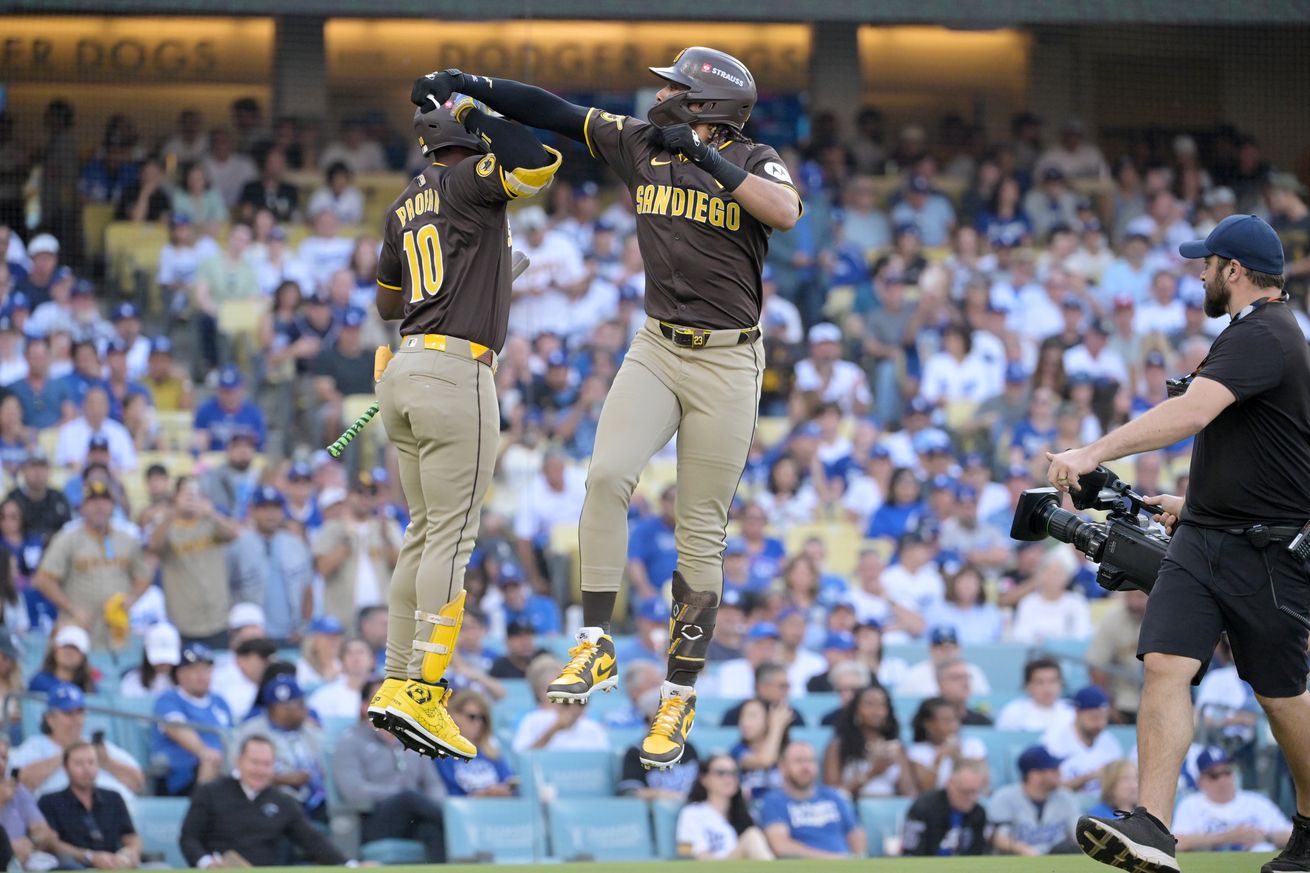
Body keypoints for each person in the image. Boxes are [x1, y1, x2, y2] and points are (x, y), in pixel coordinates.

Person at [415, 48, 801, 770]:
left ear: (709, 107)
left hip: (727, 358)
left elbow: (785, 211)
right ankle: (595, 645)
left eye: (677, 89)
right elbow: (554, 113)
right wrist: (471, 88)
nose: (661, 96)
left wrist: (712, 161)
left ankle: (677, 697)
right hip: (657, 345)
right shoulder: (640, 142)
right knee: (604, 478)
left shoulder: (754, 155)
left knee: (700, 534)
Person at [1046, 215, 1310, 873]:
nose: (1199, 273)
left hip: (1265, 552)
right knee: (1165, 661)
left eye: (1206, 263)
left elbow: (1189, 414)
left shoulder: (1266, 333)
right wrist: (1192, 503)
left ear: (1234, 271)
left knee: (1280, 697)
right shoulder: (1251, 335)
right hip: (1204, 537)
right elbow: (1257, 448)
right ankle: (1153, 827)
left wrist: (1092, 450)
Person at [368, 80, 560, 764]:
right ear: (468, 140)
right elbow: (537, 163)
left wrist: (490, 273)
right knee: (452, 534)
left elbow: (392, 297)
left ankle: (397, 678)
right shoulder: (472, 181)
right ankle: (424, 688)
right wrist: (479, 110)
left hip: (405, 367)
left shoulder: (402, 203)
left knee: (422, 533)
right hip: (456, 372)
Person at [180, 734, 348, 868]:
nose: (260, 770)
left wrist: (349, 865)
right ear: (239, 762)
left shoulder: (284, 802)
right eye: (255, 762)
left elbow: (312, 840)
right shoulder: (210, 792)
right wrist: (207, 863)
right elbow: (189, 838)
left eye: (267, 764)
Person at [332, 680, 448, 862]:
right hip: (373, 819)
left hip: (415, 814)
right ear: (365, 707)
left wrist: (429, 802)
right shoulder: (351, 743)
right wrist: (398, 795)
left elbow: (434, 785)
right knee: (409, 798)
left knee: (430, 828)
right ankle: (456, 822)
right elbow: (354, 792)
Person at [32, 480, 151, 646]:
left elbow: (144, 577)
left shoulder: (127, 539)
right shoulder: (68, 539)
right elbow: (43, 580)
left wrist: (130, 600)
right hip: (78, 626)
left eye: (104, 501)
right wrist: (72, 608)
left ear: (112, 506)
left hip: (115, 628)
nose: (99, 507)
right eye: (93, 501)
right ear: (82, 507)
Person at [150, 476, 242, 648]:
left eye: (196, 494)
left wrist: (211, 512)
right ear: (175, 497)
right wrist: (173, 512)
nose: (192, 499)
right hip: (184, 623)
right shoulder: (168, 525)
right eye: (187, 494)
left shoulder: (210, 522)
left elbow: (234, 534)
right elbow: (154, 545)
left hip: (217, 620)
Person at [11, 684, 143, 799]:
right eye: (68, 713)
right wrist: (67, 756)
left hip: (113, 813)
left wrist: (106, 761)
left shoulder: (95, 745)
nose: (76, 719)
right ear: (50, 718)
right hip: (61, 817)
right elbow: (19, 784)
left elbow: (138, 783)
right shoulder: (35, 746)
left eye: (80, 712)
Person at [232, 676, 328, 821]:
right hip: (271, 801)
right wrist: (280, 779)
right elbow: (235, 774)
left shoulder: (310, 730)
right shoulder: (250, 732)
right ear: (277, 709)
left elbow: (328, 764)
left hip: (317, 800)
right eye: (298, 705)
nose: (304, 710)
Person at [36, 742, 141, 869]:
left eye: (91, 762)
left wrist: (131, 852)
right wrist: (89, 856)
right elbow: (51, 843)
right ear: (65, 768)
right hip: (72, 866)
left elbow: (130, 835)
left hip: (114, 865)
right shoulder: (49, 801)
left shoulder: (114, 798)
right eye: (79, 764)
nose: (87, 769)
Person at [1174, 746, 1292, 854]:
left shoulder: (1257, 802)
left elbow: (1294, 837)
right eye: (1214, 775)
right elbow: (1176, 843)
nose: (1223, 780)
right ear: (1200, 780)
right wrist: (1226, 837)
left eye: (1227, 772)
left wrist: (1266, 837)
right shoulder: (1190, 804)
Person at [757, 741, 865, 859]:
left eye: (810, 761)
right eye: (798, 761)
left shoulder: (833, 797)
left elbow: (855, 836)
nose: (805, 767)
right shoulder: (774, 801)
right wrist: (833, 859)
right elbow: (781, 846)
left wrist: (855, 860)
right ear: (782, 767)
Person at [151, 644, 232, 797]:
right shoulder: (169, 699)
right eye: (194, 669)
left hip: (224, 769)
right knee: (210, 761)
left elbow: (233, 736)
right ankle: (201, 812)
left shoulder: (220, 702)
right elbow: (176, 727)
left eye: (206, 669)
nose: (201, 675)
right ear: (180, 673)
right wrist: (204, 751)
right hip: (182, 774)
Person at [676, 754, 774, 860]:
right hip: (712, 868)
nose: (728, 779)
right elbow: (689, 854)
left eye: (733, 773)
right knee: (752, 836)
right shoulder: (692, 813)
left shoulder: (743, 815)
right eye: (720, 773)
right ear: (704, 778)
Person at [823, 684, 913, 797]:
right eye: (869, 704)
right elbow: (833, 794)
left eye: (882, 705)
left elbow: (909, 793)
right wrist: (873, 772)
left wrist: (897, 762)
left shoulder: (895, 747)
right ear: (855, 710)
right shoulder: (838, 745)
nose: (877, 711)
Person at [989, 745, 1082, 855]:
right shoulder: (1004, 797)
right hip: (1019, 864)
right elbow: (998, 838)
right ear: (1034, 776)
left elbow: (1079, 835)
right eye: (1053, 770)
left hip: (1058, 862)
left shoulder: (1066, 796)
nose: (1060, 773)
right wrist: (1021, 849)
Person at [1041, 686, 1124, 795]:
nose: (1100, 724)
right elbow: (1047, 789)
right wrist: (1088, 777)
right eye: (1094, 717)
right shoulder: (1053, 741)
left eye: (1104, 718)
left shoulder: (1109, 742)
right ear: (1077, 713)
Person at [902, 758, 991, 857]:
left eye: (975, 792)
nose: (971, 798)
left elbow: (977, 854)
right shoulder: (924, 808)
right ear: (949, 784)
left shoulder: (978, 813)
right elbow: (911, 853)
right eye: (965, 792)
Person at [435, 689, 516, 797]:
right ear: (454, 716)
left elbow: (510, 785)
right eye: (472, 717)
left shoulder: (492, 753)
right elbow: (448, 794)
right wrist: (483, 794)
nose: (478, 723)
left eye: (482, 718)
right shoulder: (442, 754)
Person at [906, 697, 988, 792]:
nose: (954, 726)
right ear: (928, 724)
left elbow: (983, 785)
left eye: (956, 719)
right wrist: (939, 759)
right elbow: (925, 790)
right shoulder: (917, 752)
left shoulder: (974, 745)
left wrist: (958, 757)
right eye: (947, 721)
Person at [0, 736, 58, 870]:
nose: (1, 763)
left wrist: (30, 842)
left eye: (4, 758)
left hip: (24, 861)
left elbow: (43, 831)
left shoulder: (16, 789)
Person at [995, 658, 1076, 732]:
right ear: (1028, 686)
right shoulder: (1013, 712)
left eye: (1053, 681)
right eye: (1040, 682)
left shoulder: (1071, 711)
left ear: (1061, 684)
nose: (1047, 688)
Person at [307, 636, 376, 719]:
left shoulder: (385, 694)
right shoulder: (325, 695)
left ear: (372, 660)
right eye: (350, 653)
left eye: (360, 652)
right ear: (342, 661)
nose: (356, 658)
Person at [119, 621, 181, 698]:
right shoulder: (132, 681)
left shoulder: (185, 681)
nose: (163, 664)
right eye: (159, 660)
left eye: (167, 660)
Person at [29, 624, 95, 693]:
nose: (69, 652)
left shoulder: (88, 687)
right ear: (55, 650)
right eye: (65, 647)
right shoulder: (39, 681)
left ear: (83, 656)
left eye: (75, 649)